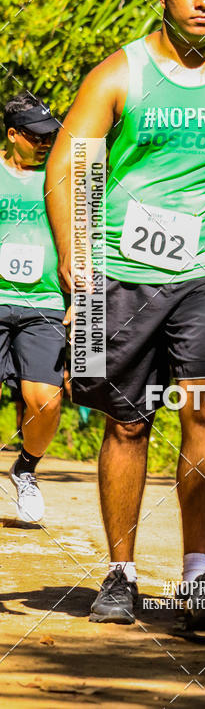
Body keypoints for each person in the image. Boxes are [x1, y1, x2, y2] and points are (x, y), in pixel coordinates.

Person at [46, 0, 205, 630]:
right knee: (125, 420)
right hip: (121, 271)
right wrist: (77, 264)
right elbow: (70, 166)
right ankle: (120, 575)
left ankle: (198, 578)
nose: (203, 2)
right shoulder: (121, 74)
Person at [0, 94, 65, 522]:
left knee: (45, 401)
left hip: (45, 302)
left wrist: (87, 305)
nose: (46, 144)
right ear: (11, 134)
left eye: (51, 137)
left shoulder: (67, 177)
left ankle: (25, 467)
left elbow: (90, 238)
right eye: (37, 137)